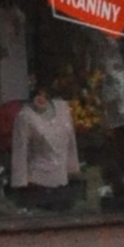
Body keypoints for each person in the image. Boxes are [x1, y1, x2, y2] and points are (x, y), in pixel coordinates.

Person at [10, 77, 78, 206]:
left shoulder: (63, 109)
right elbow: (19, 152)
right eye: (37, 92)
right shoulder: (25, 117)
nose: (41, 95)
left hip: (63, 184)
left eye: (44, 91)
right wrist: (20, 185)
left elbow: (71, 144)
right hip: (37, 187)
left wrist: (73, 171)